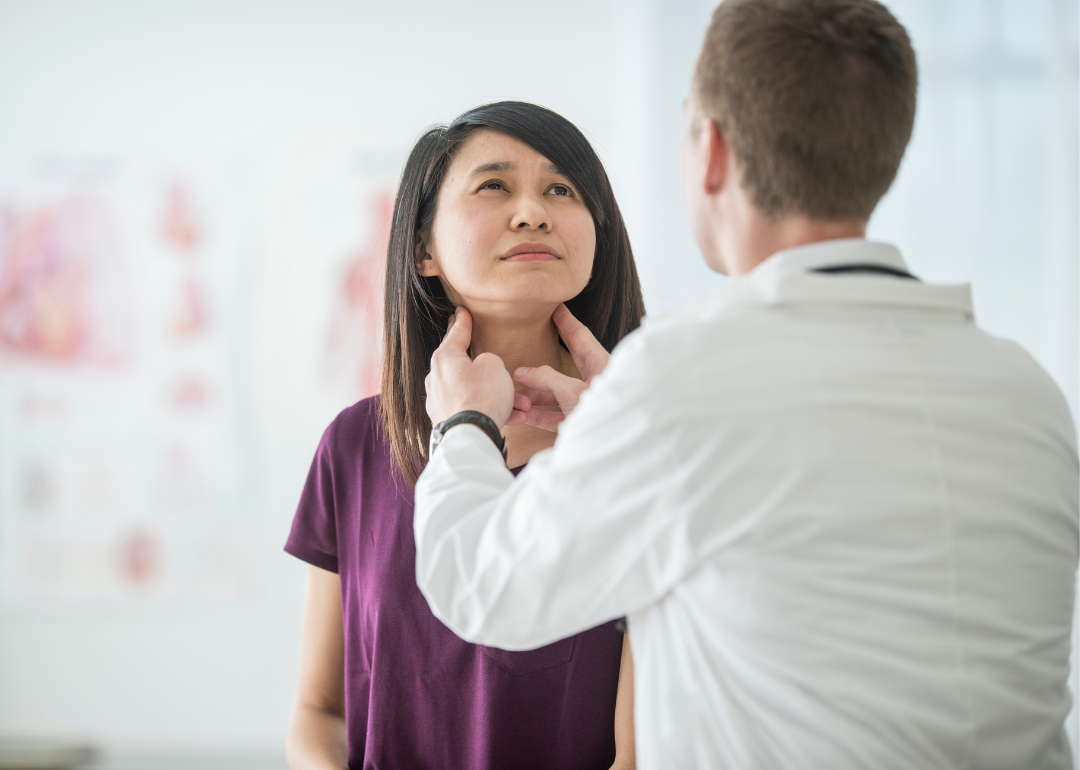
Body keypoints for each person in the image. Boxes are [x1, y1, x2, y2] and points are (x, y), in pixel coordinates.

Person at [414, 1, 1080, 769]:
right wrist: (618, 426)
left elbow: (482, 586)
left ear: (714, 152)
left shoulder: (681, 379)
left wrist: (463, 425)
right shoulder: (1026, 392)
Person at [284, 101, 644, 770]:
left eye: (561, 190)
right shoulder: (355, 446)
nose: (532, 212)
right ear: (423, 248)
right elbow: (318, 713)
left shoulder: (639, 450)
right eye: (494, 186)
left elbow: (643, 752)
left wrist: (627, 444)